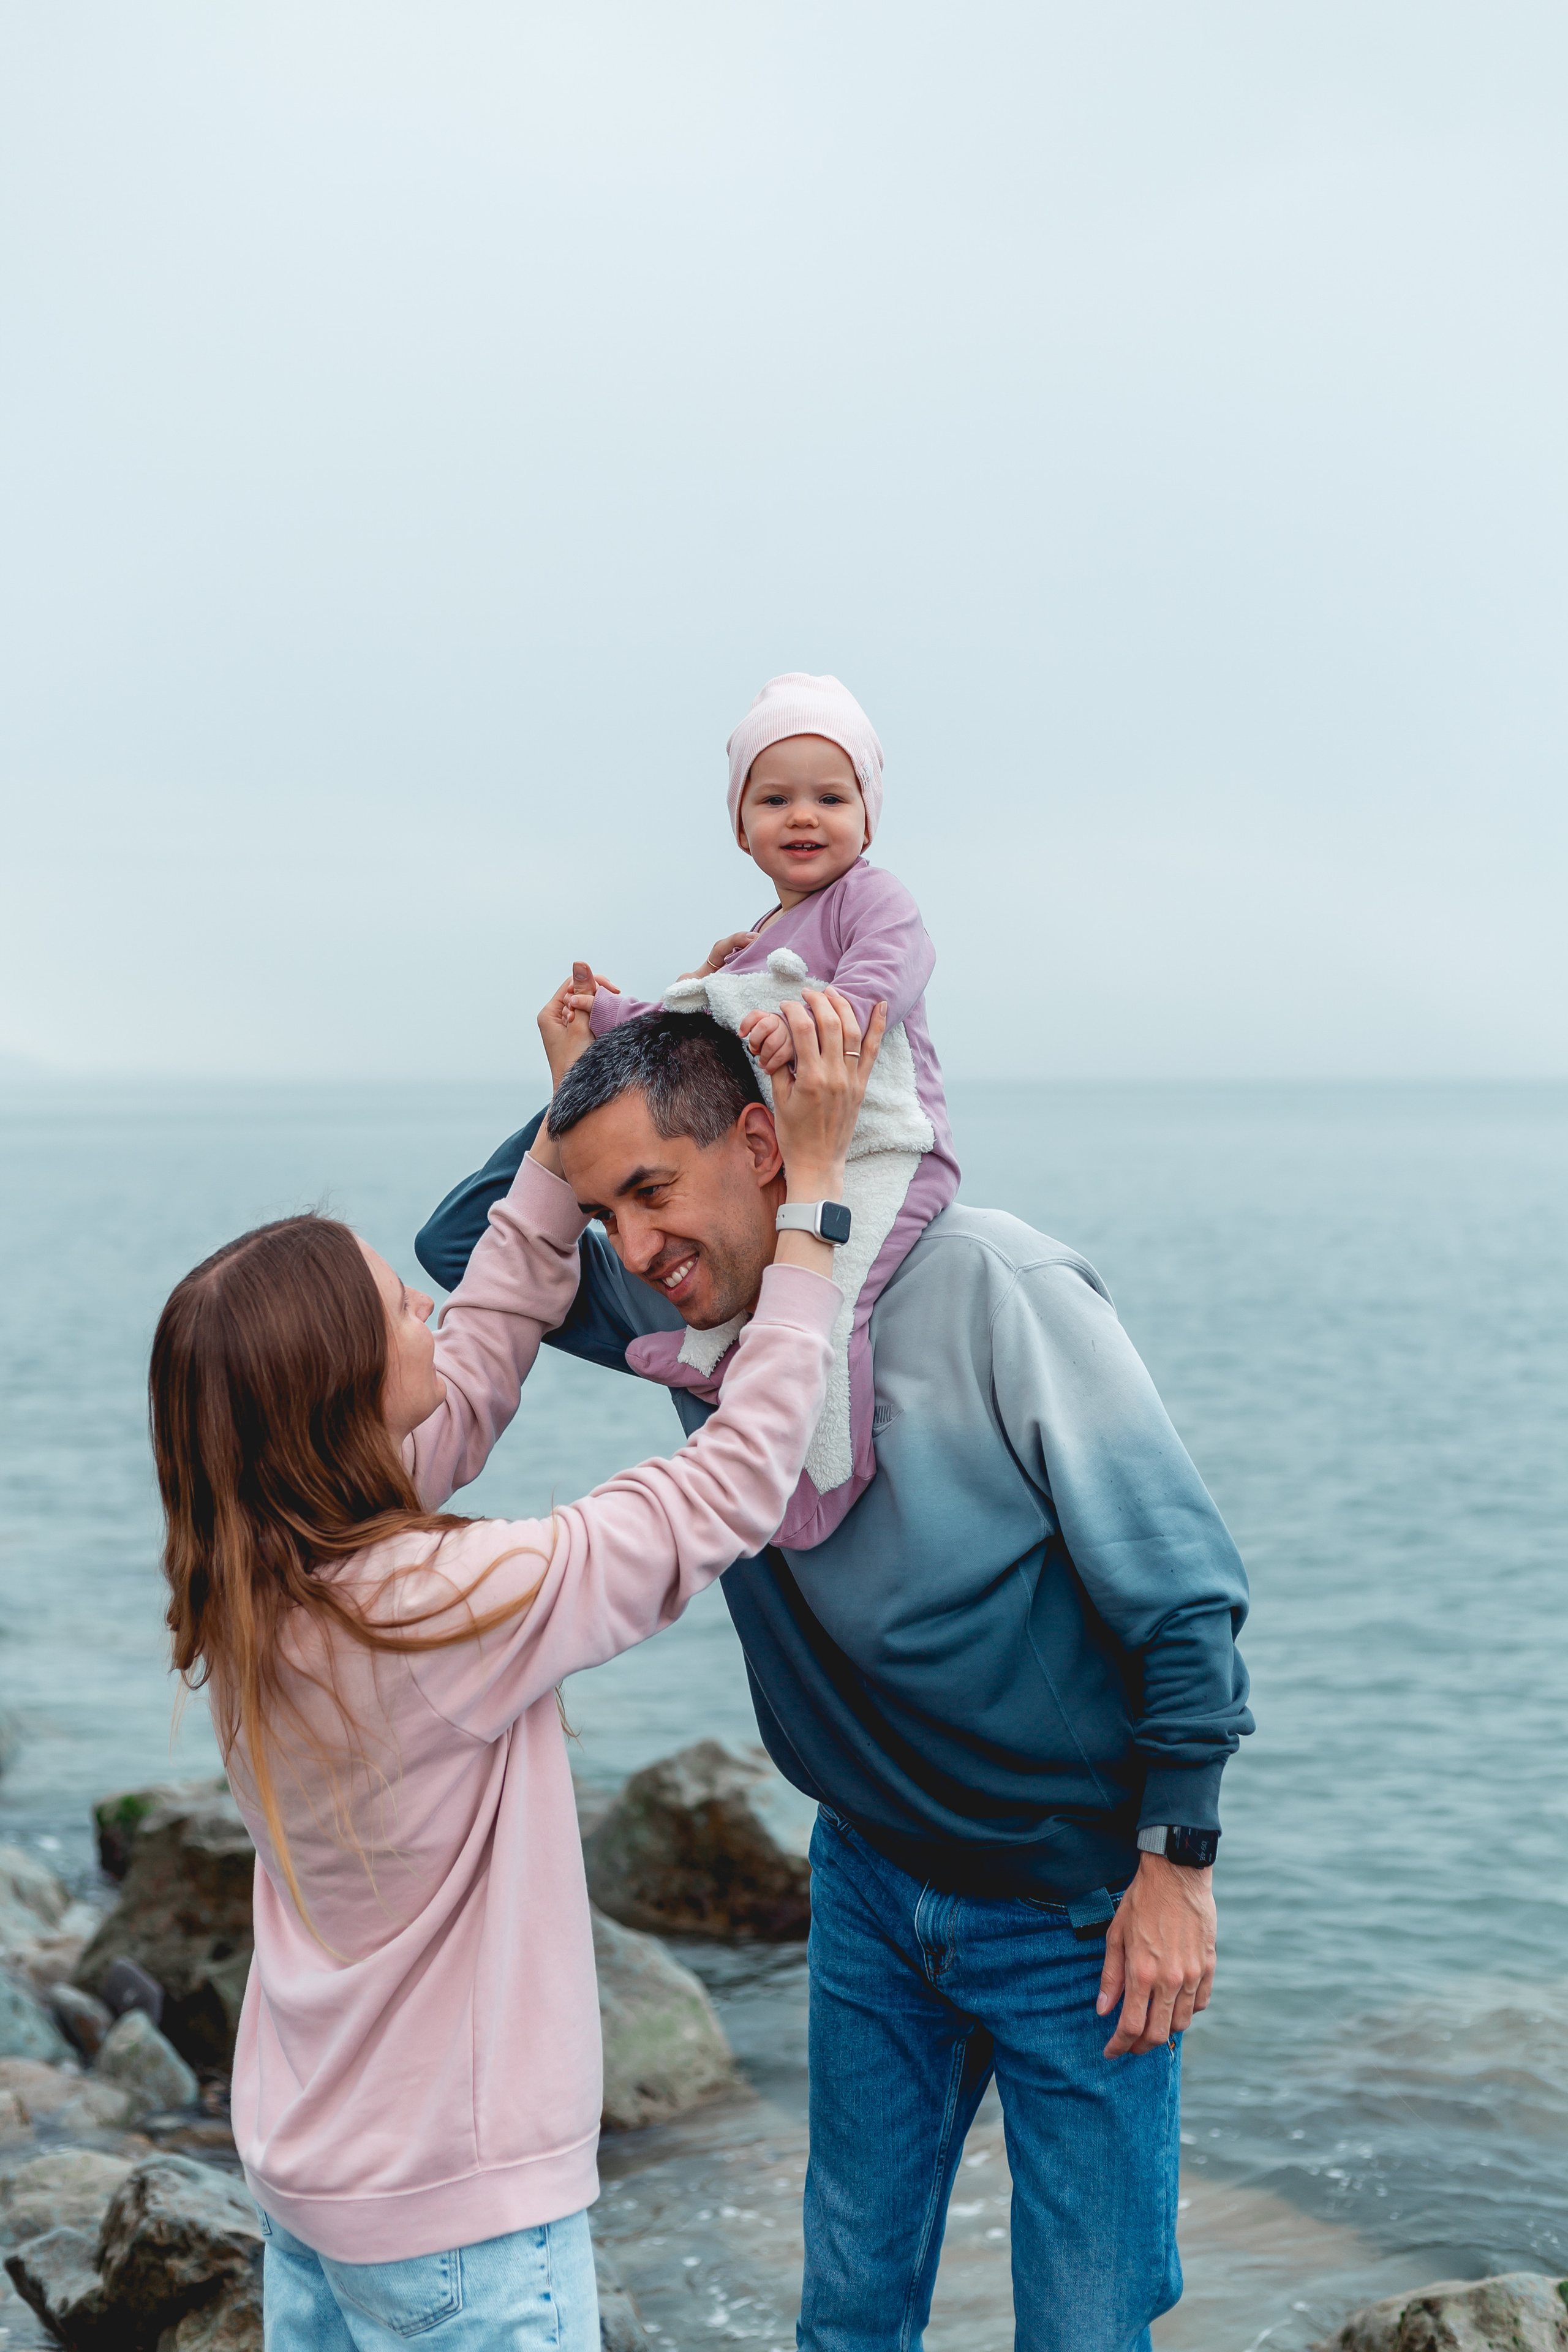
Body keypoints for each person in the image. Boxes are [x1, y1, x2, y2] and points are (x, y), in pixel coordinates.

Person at [417, 1000, 1254, 2352]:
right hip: (867, 1875)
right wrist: (637, 1040)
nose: (629, 1248)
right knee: (851, 2309)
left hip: (1073, 1906)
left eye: (651, 1190)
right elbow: (463, 1245)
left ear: (764, 1143)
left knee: (1087, 2329)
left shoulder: (996, 1287)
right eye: (603, 1211)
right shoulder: (680, 1303)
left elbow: (1181, 1594)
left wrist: (1178, 1864)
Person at [150, 988, 881, 2350]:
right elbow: (716, 1496)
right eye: (393, 1310)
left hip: (313, 2185)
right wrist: (814, 1212)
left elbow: (479, 1354)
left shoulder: (258, 1576)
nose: (429, 1306)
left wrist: (562, 1146)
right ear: (336, 1396)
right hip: (456, 2225)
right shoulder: (437, 1609)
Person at [554, 672, 959, 1548]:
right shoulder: (761, 939)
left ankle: (821, 1488)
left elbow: (890, 970)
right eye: (775, 799)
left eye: (831, 796)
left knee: (834, 1297)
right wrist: (606, 1019)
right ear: (742, 829)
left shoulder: (872, 899)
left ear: (868, 815)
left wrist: (831, 1017)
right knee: (777, 1276)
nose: (804, 817)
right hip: (809, 1155)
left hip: (888, 1151)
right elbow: (691, 1022)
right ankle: (713, 1361)